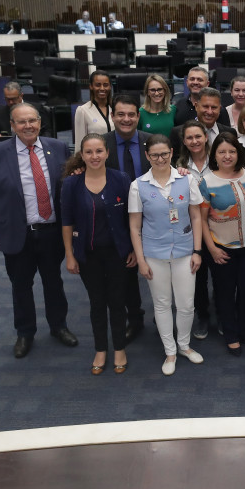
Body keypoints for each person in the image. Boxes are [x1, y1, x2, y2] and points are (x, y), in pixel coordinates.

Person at [0, 103, 78, 358]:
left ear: (39, 122)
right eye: (21, 122)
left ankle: (59, 326)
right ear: (12, 126)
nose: (28, 126)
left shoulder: (57, 148)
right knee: (21, 285)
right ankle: (25, 332)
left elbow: (67, 189)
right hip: (17, 232)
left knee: (53, 283)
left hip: (51, 231)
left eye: (32, 120)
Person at [128, 134, 204, 376]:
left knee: (186, 304)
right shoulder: (137, 185)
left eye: (164, 154)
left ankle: (184, 345)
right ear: (147, 156)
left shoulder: (186, 179)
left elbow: (195, 216)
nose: (160, 159)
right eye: (154, 155)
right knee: (161, 304)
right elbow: (134, 226)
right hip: (153, 253)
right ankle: (169, 350)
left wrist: (197, 250)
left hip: (184, 251)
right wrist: (140, 260)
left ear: (172, 152)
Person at [61, 134, 135, 375]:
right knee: (96, 302)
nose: (95, 156)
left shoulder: (121, 179)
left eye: (99, 151)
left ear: (107, 153)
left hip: (117, 253)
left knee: (117, 300)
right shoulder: (71, 184)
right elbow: (67, 222)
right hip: (87, 254)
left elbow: (131, 219)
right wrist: (69, 255)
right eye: (89, 152)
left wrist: (133, 249)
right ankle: (101, 349)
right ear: (81, 155)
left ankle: (120, 348)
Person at [199, 132, 245, 356]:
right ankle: (231, 334)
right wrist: (212, 249)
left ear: (239, 153)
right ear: (214, 155)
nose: (227, 156)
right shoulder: (207, 181)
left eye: (232, 151)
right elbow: (202, 220)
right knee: (224, 293)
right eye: (222, 152)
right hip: (221, 247)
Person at [103, 94, 151, 341]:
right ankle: (132, 318)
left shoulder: (149, 142)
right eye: (120, 114)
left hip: (150, 219)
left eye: (131, 114)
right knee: (122, 274)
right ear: (112, 116)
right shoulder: (101, 144)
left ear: (138, 116)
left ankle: (150, 317)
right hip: (113, 221)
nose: (126, 119)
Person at [173, 119, 214, 339]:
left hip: (217, 226)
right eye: (189, 137)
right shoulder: (177, 167)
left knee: (220, 275)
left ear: (206, 137)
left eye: (198, 136)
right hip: (191, 229)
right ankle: (203, 315)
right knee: (198, 277)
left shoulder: (218, 160)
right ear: (184, 141)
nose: (194, 141)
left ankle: (223, 313)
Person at [170, 87, 232, 157]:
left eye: (214, 107)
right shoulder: (178, 133)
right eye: (205, 107)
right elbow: (174, 162)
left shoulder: (229, 132)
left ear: (220, 109)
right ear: (196, 106)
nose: (209, 112)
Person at [74, 70, 113, 145]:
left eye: (105, 85)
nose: (102, 88)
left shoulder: (116, 109)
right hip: (95, 155)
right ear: (91, 86)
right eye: (98, 85)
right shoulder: (83, 111)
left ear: (110, 87)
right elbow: (79, 143)